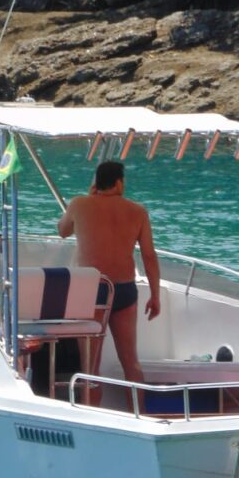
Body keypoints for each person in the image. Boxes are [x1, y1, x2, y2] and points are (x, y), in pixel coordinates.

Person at [57, 160, 160, 385]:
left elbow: (62, 231)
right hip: (124, 289)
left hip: (93, 288)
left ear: (97, 183)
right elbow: (149, 256)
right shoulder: (138, 212)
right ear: (119, 183)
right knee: (131, 362)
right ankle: (138, 405)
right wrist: (155, 296)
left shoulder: (79, 204)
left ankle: (89, 406)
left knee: (90, 366)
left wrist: (87, 197)